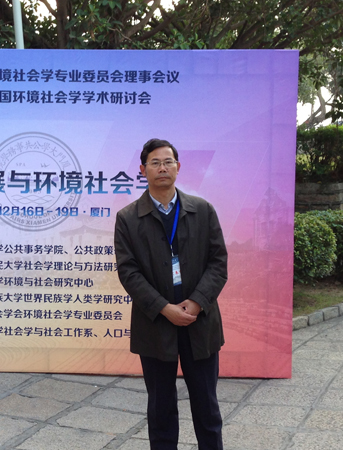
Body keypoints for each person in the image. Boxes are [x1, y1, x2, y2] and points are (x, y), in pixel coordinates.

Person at [114, 138, 228, 450]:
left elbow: (218, 262)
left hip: (199, 322)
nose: (162, 167)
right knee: (160, 409)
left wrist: (197, 302)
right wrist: (164, 308)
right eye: (155, 162)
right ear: (143, 170)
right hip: (155, 324)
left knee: (207, 407)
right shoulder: (127, 218)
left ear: (178, 167)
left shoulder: (202, 210)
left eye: (168, 162)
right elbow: (128, 272)